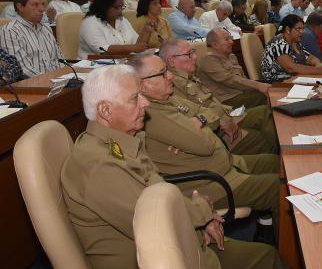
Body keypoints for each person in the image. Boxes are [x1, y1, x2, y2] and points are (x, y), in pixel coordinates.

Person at [60, 65, 282, 269]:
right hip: (156, 258)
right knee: (267, 259)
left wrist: (201, 221)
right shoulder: (99, 168)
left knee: (265, 255)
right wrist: (202, 216)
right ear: (106, 111)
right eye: (135, 98)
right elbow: (153, 225)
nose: (145, 103)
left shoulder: (122, 141)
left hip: (172, 241)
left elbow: (157, 185)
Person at [129, 54, 282, 236]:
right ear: (142, 84)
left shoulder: (168, 99)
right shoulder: (153, 114)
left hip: (228, 165)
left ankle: (268, 226)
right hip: (211, 185)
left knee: (277, 164)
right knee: (280, 189)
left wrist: (198, 121)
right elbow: (206, 145)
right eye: (162, 74)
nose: (170, 76)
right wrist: (199, 127)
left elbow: (208, 113)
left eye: (167, 71)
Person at [158, 39, 276, 154]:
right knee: (264, 137)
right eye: (189, 54)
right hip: (219, 132)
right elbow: (191, 119)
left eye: (193, 52)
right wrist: (221, 121)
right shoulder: (172, 85)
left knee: (265, 112)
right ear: (172, 61)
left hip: (228, 115)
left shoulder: (189, 77)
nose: (194, 57)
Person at [198, 29, 271, 109]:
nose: (232, 42)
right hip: (228, 101)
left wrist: (258, 86)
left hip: (243, 92)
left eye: (231, 38)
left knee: (274, 87)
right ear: (215, 45)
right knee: (270, 96)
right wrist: (257, 85)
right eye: (227, 39)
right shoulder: (208, 59)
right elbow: (230, 80)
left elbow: (242, 78)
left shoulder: (230, 55)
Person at [0, 0, 64, 76]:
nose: (42, 9)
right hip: (32, 87)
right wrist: (52, 80)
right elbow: (22, 70)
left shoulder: (46, 27)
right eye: (35, 5)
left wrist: (64, 77)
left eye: (43, 4)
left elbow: (60, 59)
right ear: (20, 7)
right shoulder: (10, 32)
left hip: (58, 82)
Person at [79, 0, 150, 59]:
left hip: (122, 63)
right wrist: (132, 48)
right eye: (117, 7)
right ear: (104, 6)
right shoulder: (90, 23)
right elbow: (103, 50)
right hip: (93, 66)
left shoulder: (122, 20)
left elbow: (137, 45)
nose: (120, 11)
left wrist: (146, 31)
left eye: (122, 7)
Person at [261, 14, 322, 82]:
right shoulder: (279, 43)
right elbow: (291, 68)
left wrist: (318, 66)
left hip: (294, 80)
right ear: (288, 30)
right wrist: (321, 71)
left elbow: (311, 58)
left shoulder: (295, 42)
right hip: (277, 85)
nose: (302, 32)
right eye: (298, 29)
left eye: (303, 29)